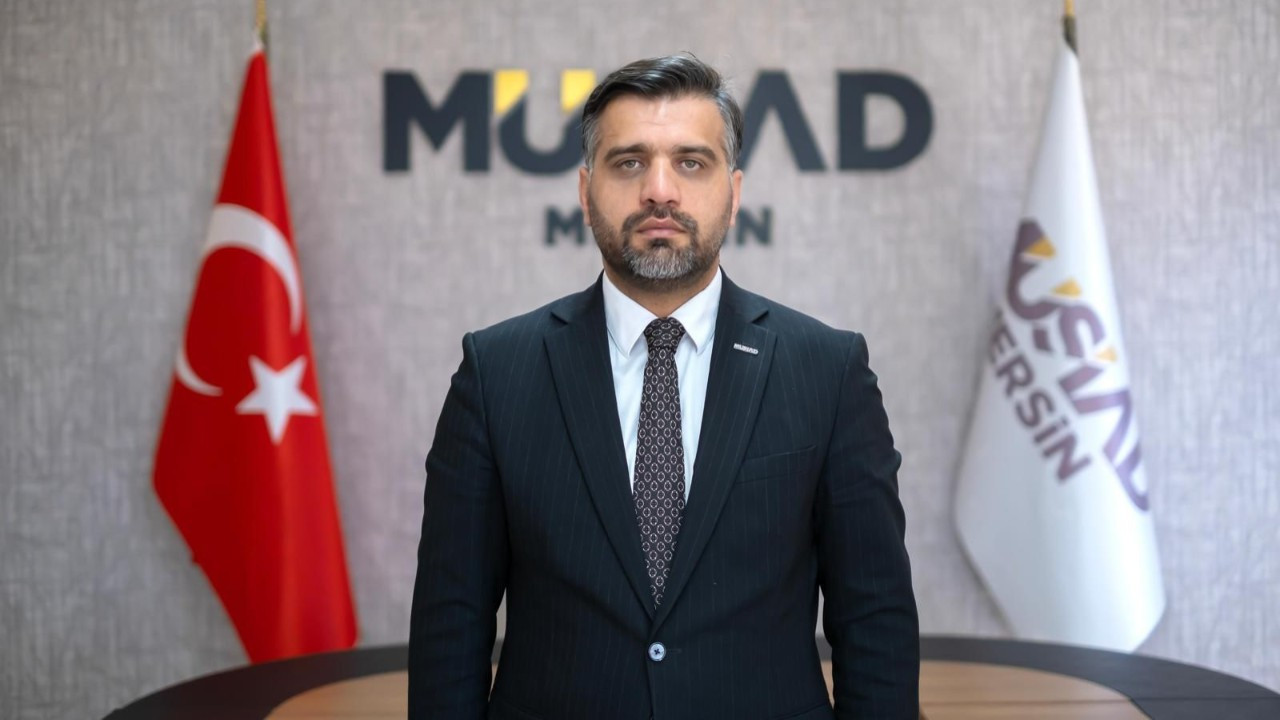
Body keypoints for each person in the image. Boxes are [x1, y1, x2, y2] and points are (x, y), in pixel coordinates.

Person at [409, 54, 919, 720]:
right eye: (629, 163)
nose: (660, 191)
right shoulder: (496, 372)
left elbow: (875, 620)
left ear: (733, 193)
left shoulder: (826, 370)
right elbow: (450, 626)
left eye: (690, 162)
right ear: (585, 191)